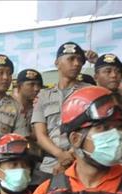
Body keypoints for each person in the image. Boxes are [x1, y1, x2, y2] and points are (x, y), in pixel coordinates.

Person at [33, 42, 89, 176]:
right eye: (71, 59)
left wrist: (68, 157)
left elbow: (91, 130)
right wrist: (60, 155)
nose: (76, 64)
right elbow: (40, 135)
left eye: (80, 60)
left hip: (81, 162)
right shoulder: (43, 95)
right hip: (50, 164)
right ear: (57, 63)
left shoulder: (89, 92)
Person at [13, 69, 43, 142]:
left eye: (39, 85)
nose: (36, 89)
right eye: (31, 84)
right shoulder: (9, 106)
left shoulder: (41, 107)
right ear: (19, 87)